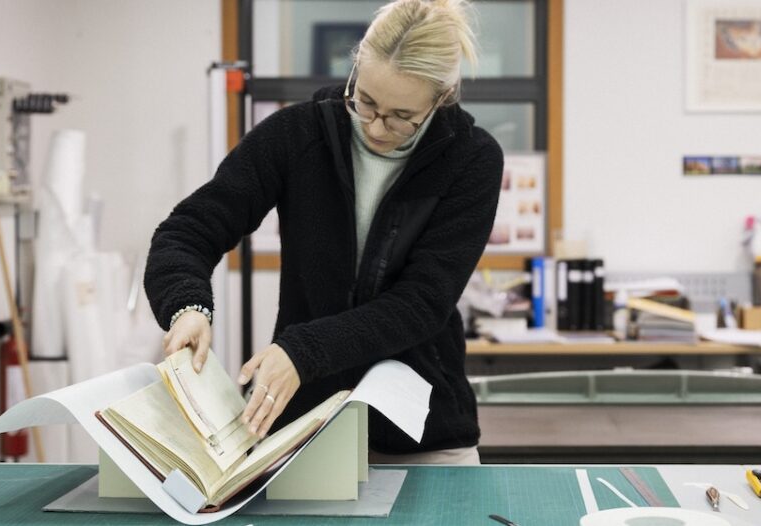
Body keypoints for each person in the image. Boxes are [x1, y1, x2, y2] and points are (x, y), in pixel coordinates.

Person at [145, 0, 503, 465]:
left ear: (441, 97)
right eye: (366, 101)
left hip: (424, 435)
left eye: (400, 116)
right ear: (355, 69)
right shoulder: (297, 136)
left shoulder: (472, 160)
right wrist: (186, 306)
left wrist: (303, 350)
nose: (375, 126)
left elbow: (421, 303)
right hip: (305, 430)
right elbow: (189, 229)